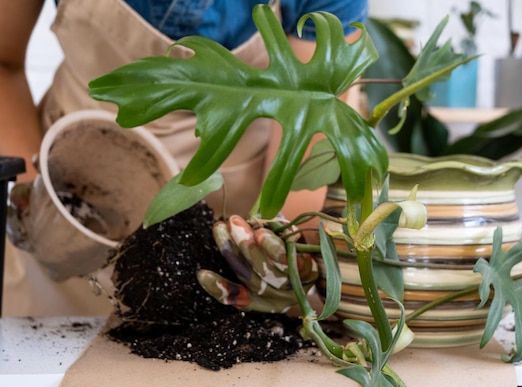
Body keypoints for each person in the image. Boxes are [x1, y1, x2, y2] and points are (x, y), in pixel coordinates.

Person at [0, 0, 367, 316]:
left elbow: (311, 125)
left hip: (233, 226)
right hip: (67, 195)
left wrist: (273, 256)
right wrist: (37, 193)